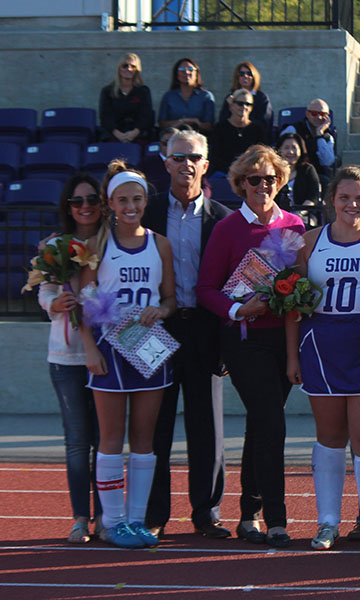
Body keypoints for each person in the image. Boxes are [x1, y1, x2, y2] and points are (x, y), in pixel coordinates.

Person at [196, 145, 305, 548]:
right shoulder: (227, 229)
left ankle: (248, 515)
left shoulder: (294, 225)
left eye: (270, 179)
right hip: (244, 340)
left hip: (285, 338)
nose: (263, 186)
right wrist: (241, 308)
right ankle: (276, 519)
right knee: (271, 423)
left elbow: (302, 284)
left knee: (261, 424)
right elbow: (205, 288)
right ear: (240, 184)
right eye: (254, 179)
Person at [285, 166, 360, 551]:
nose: (353, 204)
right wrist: (291, 356)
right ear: (332, 199)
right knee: (330, 438)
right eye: (345, 197)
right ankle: (327, 523)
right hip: (322, 343)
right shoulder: (309, 242)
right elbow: (293, 305)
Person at [78, 161, 177, 549]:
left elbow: (170, 298)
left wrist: (162, 311)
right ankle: (112, 520)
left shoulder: (160, 243)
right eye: (122, 200)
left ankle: (136, 520)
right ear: (110, 202)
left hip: (149, 345)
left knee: (144, 438)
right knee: (110, 437)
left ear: (144, 200)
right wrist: (89, 349)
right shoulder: (95, 246)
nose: (130, 205)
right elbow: (83, 306)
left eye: (136, 198)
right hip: (109, 347)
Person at [143, 130, 233, 540]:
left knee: (206, 426)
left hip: (204, 328)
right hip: (155, 327)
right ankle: (153, 512)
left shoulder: (222, 219)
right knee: (155, 425)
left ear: (205, 164)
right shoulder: (147, 212)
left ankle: (206, 511)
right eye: (178, 157)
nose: (186, 164)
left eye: (193, 157)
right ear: (165, 163)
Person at [39, 173, 104, 543]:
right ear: (67, 207)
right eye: (77, 201)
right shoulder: (53, 246)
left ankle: (106, 514)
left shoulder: (112, 243)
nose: (85, 207)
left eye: (92, 199)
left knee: (106, 441)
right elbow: (44, 290)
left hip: (105, 353)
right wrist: (54, 302)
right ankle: (81, 516)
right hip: (65, 357)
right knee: (78, 440)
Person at [209, 89, 267, 176]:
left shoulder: (258, 129)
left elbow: (261, 154)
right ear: (231, 106)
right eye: (240, 103)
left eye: (248, 104)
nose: (244, 107)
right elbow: (215, 156)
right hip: (224, 173)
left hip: (250, 173)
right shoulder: (220, 128)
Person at [98, 53, 153, 143]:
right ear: (119, 68)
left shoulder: (143, 91)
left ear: (137, 70)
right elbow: (105, 117)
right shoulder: (107, 91)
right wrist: (119, 135)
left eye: (133, 66)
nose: (129, 69)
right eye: (125, 66)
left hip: (138, 134)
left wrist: (133, 133)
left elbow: (146, 116)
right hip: (114, 135)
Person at [281, 98, 336, 183]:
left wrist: (319, 134)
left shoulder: (328, 137)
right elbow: (281, 152)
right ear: (307, 114)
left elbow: (327, 161)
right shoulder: (293, 129)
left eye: (323, 114)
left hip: (315, 175)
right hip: (292, 172)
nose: (319, 117)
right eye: (314, 113)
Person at [158, 58, 215, 134]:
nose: (187, 72)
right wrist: (180, 122)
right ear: (177, 74)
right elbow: (162, 124)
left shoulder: (206, 96)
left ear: (196, 74)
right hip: (174, 137)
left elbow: (209, 126)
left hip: (199, 137)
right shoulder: (169, 96)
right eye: (182, 69)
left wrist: (196, 122)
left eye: (191, 69)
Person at [273, 132, 321, 222]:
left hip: (303, 215)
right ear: (279, 150)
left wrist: (299, 213)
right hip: (276, 215)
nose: (291, 152)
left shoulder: (308, 170)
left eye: (294, 148)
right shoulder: (272, 171)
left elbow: (313, 197)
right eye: (286, 148)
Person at [217, 62, 273, 134]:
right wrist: (231, 107)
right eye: (241, 74)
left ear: (254, 77)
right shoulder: (230, 98)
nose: (245, 76)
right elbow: (222, 122)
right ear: (237, 77)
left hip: (254, 134)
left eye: (249, 74)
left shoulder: (261, 98)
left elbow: (265, 123)